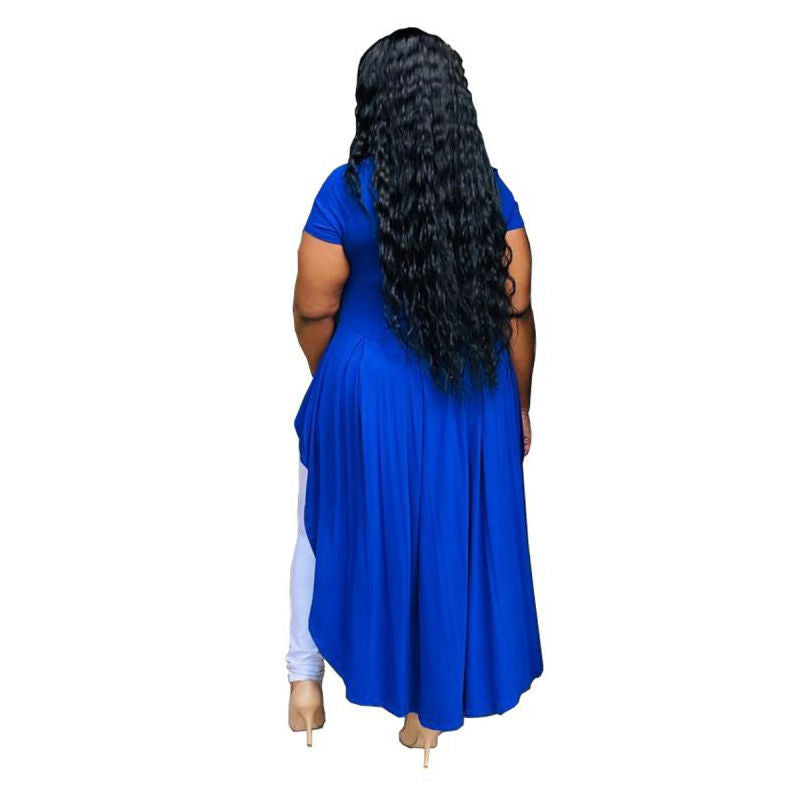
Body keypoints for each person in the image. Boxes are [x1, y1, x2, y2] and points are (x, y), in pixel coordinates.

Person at [286, 28, 543, 767]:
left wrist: (336, 389)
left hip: (367, 391)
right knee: (444, 538)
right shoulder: (489, 189)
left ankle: (304, 682)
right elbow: (516, 310)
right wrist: (518, 405)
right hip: (469, 392)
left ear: (373, 101)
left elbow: (313, 310)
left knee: (323, 520)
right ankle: (426, 712)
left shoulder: (344, 191)